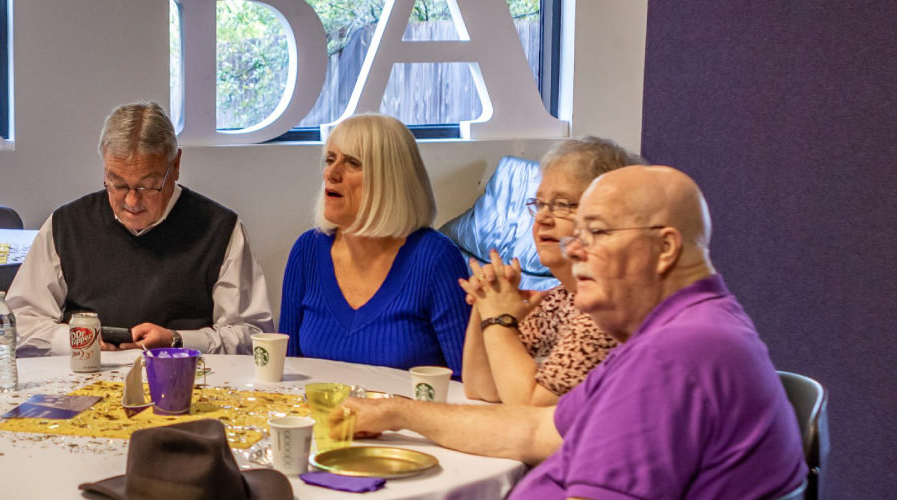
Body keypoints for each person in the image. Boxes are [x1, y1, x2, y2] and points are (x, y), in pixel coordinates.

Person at [338, 166, 806, 499]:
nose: (574, 249)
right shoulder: (677, 331)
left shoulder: (675, 355)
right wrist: (397, 412)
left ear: (664, 248)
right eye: (573, 231)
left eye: (596, 232)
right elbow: (535, 428)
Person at [8, 102, 273, 356]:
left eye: (148, 185)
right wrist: (78, 340)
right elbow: (18, 322)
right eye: (118, 184)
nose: (132, 202)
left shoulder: (220, 229)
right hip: (82, 378)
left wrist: (177, 341)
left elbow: (252, 335)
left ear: (176, 165)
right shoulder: (66, 225)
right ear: (104, 167)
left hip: (188, 381)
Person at [278, 114, 468, 373]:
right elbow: (286, 369)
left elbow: (466, 384)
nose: (331, 174)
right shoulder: (307, 250)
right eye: (330, 160)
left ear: (390, 180)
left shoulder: (436, 259)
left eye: (353, 163)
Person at [459, 137, 639, 405]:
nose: (543, 218)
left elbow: (529, 405)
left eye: (563, 205)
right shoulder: (558, 297)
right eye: (540, 204)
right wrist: (487, 299)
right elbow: (482, 387)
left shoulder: (609, 309)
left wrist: (499, 320)